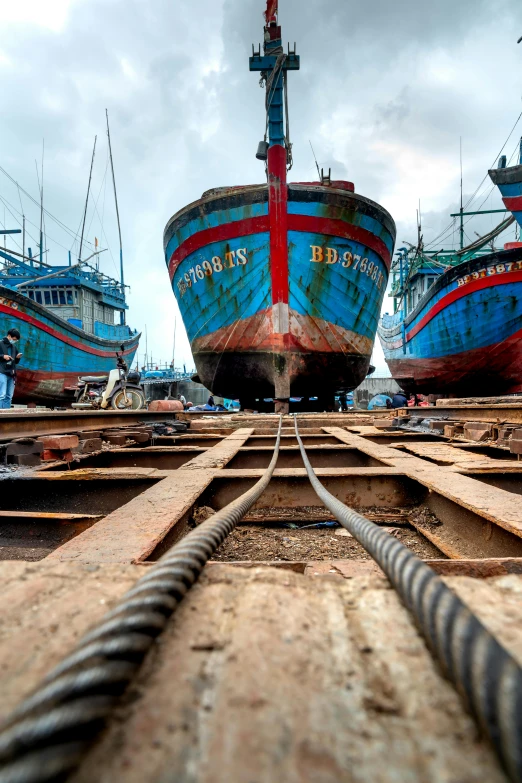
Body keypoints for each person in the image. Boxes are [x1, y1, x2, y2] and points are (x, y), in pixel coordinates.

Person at [0, 328, 22, 409]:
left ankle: (6, 415)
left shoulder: (13, 347)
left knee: (9, 396)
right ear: (9, 336)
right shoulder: (0, 344)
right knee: (2, 395)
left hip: (11, 374)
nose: (14, 341)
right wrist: (2, 356)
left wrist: (17, 358)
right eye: (14, 339)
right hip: (1, 372)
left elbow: (15, 362)